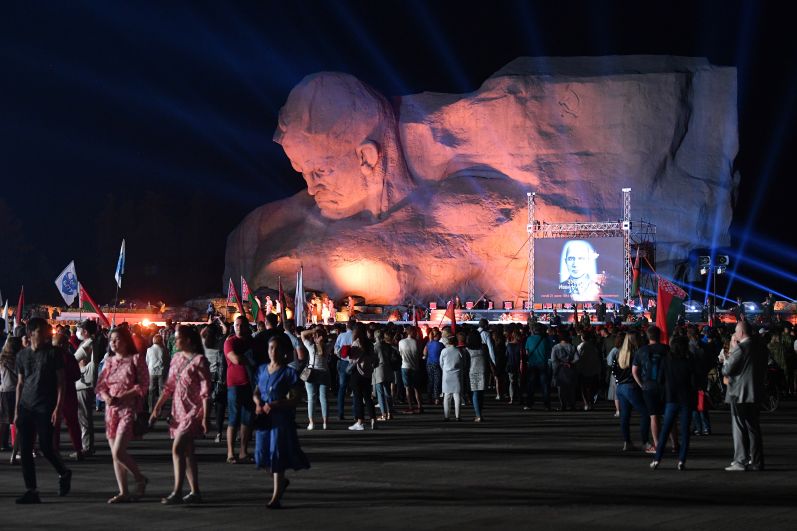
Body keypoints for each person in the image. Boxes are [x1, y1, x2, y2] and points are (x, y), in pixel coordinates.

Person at [13, 318, 73, 504]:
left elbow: (61, 383)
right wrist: (16, 410)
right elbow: (20, 383)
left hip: (45, 406)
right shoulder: (22, 355)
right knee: (25, 449)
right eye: (41, 331)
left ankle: (64, 473)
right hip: (26, 406)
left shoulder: (53, 354)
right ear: (31, 334)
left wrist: (58, 407)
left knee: (47, 447)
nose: (46, 334)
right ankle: (32, 490)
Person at [150, 325, 212, 504]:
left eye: (177, 338)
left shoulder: (200, 361)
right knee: (187, 451)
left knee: (177, 448)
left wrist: (205, 417)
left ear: (188, 341)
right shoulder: (176, 358)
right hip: (178, 409)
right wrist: (157, 407)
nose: (174, 341)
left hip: (193, 411)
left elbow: (206, 391)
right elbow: (169, 385)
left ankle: (177, 492)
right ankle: (195, 491)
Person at [253, 333, 310, 509]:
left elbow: (295, 398)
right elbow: (256, 391)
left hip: (281, 419)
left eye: (277, 348)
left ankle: (275, 497)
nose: (273, 352)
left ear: (284, 352)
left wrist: (278, 403)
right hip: (264, 418)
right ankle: (281, 481)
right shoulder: (262, 369)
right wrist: (257, 404)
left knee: (276, 453)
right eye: (271, 348)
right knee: (262, 455)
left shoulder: (289, 373)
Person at [95, 326, 149, 503]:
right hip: (111, 411)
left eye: (117, 339)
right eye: (111, 340)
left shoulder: (136, 359)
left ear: (126, 341)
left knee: (118, 451)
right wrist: (106, 397)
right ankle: (123, 491)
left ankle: (140, 478)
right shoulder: (109, 361)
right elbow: (100, 385)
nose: (113, 343)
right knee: (114, 454)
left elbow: (143, 385)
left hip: (128, 409)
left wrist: (122, 396)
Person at [722, 320, 767, 471]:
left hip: (739, 393)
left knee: (739, 428)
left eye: (735, 331)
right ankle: (756, 461)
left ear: (741, 333)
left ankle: (740, 460)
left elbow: (727, 369)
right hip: (755, 392)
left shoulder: (741, 348)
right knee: (754, 428)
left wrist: (732, 350)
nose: (734, 334)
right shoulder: (760, 347)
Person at [650, 335, 697, 471]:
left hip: (671, 398)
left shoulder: (666, 360)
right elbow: (694, 382)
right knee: (685, 431)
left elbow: (659, 379)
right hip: (686, 398)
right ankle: (681, 460)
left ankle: (657, 459)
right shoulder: (690, 361)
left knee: (665, 430)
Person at [612, 331, 652, 452]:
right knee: (646, 413)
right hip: (631, 387)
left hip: (620, 388)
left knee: (625, 416)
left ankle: (627, 442)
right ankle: (645, 442)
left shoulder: (619, 354)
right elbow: (640, 371)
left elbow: (613, 371)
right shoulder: (637, 354)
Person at [224, 316, 255, 464]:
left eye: (241, 325)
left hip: (250, 385)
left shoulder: (251, 342)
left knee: (247, 419)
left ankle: (243, 451)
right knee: (233, 419)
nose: (238, 328)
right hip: (234, 385)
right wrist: (250, 359)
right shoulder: (230, 342)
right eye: (236, 325)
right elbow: (235, 359)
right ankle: (230, 453)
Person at [632, 326, 668, 453]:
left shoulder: (641, 351)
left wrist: (641, 384)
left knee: (654, 416)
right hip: (664, 386)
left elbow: (634, 371)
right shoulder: (666, 349)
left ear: (648, 336)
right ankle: (674, 443)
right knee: (668, 415)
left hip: (648, 386)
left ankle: (657, 444)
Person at [73, 320, 98, 456]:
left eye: (79, 329)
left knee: (84, 417)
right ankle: (88, 446)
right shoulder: (90, 343)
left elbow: (74, 359)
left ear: (85, 332)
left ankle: (86, 447)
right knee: (85, 416)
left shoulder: (88, 343)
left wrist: (80, 365)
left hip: (84, 383)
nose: (78, 332)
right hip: (85, 382)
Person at [300, 326, 330, 430]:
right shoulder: (328, 346)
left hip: (311, 373)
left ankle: (312, 423)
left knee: (311, 398)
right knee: (323, 398)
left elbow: (302, 334)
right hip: (324, 373)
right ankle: (325, 422)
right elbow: (335, 337)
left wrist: (313, 331)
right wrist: (324, 335)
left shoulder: (311, 346)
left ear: (314, 336)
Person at [348, 323, 377, 430]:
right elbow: (374, 357)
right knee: (368, 397)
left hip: (357, 372)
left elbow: (352, 360)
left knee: (358, 397)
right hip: (368, 372)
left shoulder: (356, 343)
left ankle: (360, 421)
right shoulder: (370, 343)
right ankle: (373, 419)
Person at [523, 324, 552, 411]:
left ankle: (529, 404)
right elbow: (549, 352)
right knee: (545, 385)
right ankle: (547, 405)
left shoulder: (529, 339)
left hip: (532, 364)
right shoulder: (546, 340)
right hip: (543, 364)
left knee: (531, 385)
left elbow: (527, 352)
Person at [0, 337, 22, 452]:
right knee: (15, 418)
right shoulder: (19, 359)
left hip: (4, 390)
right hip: (17, 390)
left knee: (4, 419)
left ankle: (3, 443)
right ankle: (16, 443)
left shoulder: (2, 359)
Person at [551, 332, 579, 411]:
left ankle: (563, 405)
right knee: (571, 388)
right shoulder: (572, 346)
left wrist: (556, 369)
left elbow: (553, 360)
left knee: (561, 389)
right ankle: (572, 405)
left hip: (560, 369)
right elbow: (577, 358)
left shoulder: (555, 347)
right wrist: (570, 363)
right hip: (570, 369)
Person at [398, 326, 424, 413]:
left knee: (407, 388)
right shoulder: (417, 342)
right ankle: (420, 406)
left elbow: (400, 353)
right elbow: (420, 354)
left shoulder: (401, 342)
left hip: (405, 366)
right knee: (417, 388)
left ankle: (410, 406)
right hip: (415, 367)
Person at [439, 333, 464, 421]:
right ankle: (458, 416)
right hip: (457, 375)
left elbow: (441, 363)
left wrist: (445, 369)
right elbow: (462, 364)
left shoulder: (444, 351)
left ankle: (446, 416)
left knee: (447, 396)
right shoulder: (459, 351)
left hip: (446, 375)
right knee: (457, 396)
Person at [334, 320, 354, 420]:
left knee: (342, 387)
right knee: (355, 388)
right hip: (354, 363)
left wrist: (339, 354)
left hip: (343, 362)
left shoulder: (341, 336)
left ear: (347, 327)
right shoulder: (356, 336)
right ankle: (356, 413)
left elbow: (336, 348)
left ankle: (340, 412)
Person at [372, 329, 394, 421]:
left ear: (375, 337)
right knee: (388, 392)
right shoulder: (388, 346)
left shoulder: (375, 347)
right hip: (388, 369)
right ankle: (390, 413)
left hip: (379, 370)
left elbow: (373, 361)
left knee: (380, 394)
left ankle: (383, 414)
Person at [465, 330, 487, 422]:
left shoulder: (467, 350)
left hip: (472, 372)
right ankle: (479, 414)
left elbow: (466, 363)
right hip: (482, 371)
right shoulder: (483, 348)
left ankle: (478, 415)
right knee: (481, 394)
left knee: (475, 394)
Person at [145, 334, 166, 413]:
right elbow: (167, 361)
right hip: (162, 371)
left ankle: (151, 408)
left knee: (151, 390)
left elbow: (147, 361)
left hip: (151, 371)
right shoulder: (164, 349)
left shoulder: (149, 349)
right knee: (161, 391)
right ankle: (160, 410)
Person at [423, 330, 444, 405]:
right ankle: (436, 398)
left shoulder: (428, 343)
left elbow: (424, 353)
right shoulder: (441, 345)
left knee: (430, 380)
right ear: (437, 336)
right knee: (437, 381)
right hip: (437, 364)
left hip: (429, 363)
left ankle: (429, 397)